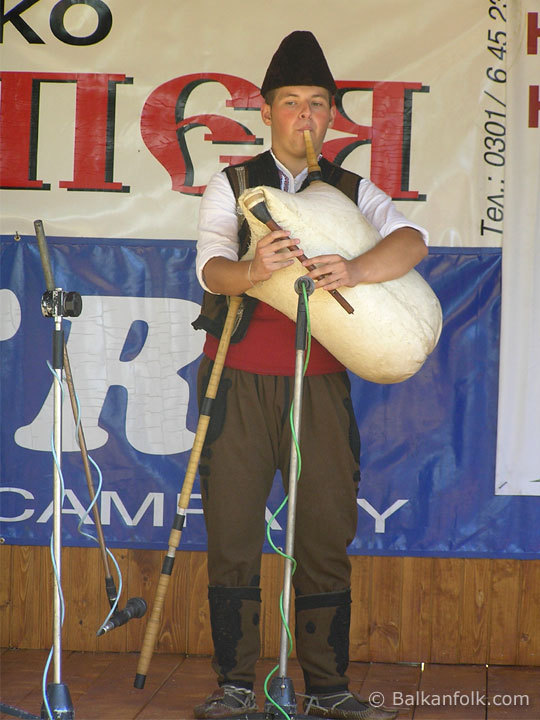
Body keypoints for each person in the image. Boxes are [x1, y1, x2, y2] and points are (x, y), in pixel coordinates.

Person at [191, 31, 428, 720]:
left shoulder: (353, 189)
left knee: (324, 535)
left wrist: (355, 269)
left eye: (317, 104)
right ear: (265, 112)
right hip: (236, 382)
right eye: (290, 102)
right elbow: (209, 267)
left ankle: (328, 688)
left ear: (330, 116)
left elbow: (411, 241)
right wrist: (253, 271)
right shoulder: (232, 183)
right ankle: (235, 686)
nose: (304, 116)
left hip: (320, 386)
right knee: (234, 534)